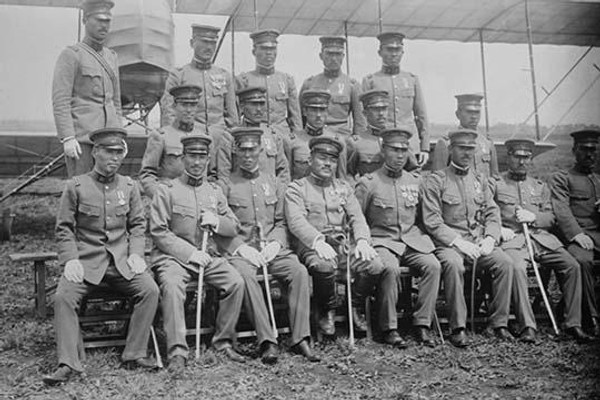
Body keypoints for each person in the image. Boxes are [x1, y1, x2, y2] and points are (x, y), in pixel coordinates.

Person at [44, 127, 159, 385]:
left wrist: (136, 253)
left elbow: (138, 225)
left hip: (120, 265)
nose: (114, 158)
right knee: (63, 297)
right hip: (85, 264)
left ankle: (134, 353)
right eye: (108, 151)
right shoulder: (76, 186)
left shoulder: (130, 187)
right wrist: (70, 259)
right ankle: (67, 363)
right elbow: (64, 228)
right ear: (95, 152)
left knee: (150, 290)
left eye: (119, 152)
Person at [219, 127, 320, 362]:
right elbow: (221, 228)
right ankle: (267, 340)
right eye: (242, 150)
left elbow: (281, 222)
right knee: (246, 277)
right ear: (235, 151)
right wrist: (241, 247)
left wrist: (275, 244)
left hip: (271, 250)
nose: (247, 155)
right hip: (242, 252)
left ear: (260, 150)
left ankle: (300, 337)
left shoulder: (273, 182)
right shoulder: (225, 185)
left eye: (252, 149)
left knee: (299, 271)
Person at [149, 134, 246, 377]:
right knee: (172, 287)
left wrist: (217, 221)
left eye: (202, 157)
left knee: (235, 282)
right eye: (192, 156)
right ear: (182, 158)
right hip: (173, 258)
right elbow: (159, 232)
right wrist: (190, 253)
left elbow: (234, 226)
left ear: (208, 160)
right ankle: (178, 351)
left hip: (208, 256)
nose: (197, 162)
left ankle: (222, 341)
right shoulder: (167, 190)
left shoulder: (213, 191)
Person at [285, 137, 393, 341]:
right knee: (324, 266)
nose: (327, 164)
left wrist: (362, 240)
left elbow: (357, 218)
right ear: (310, 160)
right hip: (313, 247)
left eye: (332, 160)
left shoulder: (344, 188)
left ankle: (355, 304)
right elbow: (296, 221)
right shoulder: (297, 188)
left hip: (343, 246)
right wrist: (317, 240)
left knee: (375, 265)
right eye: (322, 158)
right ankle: (327, 308)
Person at [421, 129, 514, 347]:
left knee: (504, 262)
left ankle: (498, 324)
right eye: (461, 148)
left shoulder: (480, 180)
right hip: (449, 244)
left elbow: (492, 212)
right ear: (451, 149)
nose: (466, 153)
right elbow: (432, 221)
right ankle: (458, 327)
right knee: (454, 265)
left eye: (470, 149)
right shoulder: (436, 181)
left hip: (477, 242)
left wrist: (490, 237)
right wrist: (458, 242)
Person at [493, 139, 591, 343]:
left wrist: (534, 217)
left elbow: (551, 217)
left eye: (526, 157)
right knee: (517, 268)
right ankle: (527, 325)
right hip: (514, 240)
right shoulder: (496, 184)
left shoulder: (540, 186)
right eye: (517, 157)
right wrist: (499, 229)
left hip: (543, 241)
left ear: (531, 159)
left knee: (572, 265)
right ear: (508, 157)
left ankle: (573, 324)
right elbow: (487, 213)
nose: (522, 162)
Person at [355, 128, 441, 347]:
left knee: (433, 265)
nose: (400, 155)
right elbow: (358, 219)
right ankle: (390, 328)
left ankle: (422, 323)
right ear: (383, 150)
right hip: (382, 241)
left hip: (411, 240)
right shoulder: (369, 183)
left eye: (404, 150)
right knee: (390, 269)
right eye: (394, 149)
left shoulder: (415, 181)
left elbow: (423, 217)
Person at [52, 0, 122, 177]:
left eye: (107, 21)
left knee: (107, 195)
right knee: (81, 194)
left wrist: (119, 134)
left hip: (109, 140)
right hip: (83, 140)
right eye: (99, 20)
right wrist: (68, 137)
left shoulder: (112, 57)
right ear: (85, 20)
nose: (104, 25)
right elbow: (61, 101)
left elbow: (116, 102)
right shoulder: (71, 55)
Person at [550, 129, 600, 337]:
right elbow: (561, 210)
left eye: (594, 150)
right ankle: (591, 318)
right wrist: (577, 234)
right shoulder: (563, 178)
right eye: (584, 150)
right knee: (583, 262)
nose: (590, 155)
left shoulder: (598, 179)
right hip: (576, 237)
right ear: (574, 151)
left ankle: (579, 307)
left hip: (597, 234)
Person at [160, 24, 238, 146]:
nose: (209, 47)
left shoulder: (224, 76)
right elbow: (169, 112)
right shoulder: (179, 75)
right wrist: (173, 140)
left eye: (213, 43)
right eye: (204, 42)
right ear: (192, 43)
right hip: (190, 139)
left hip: (220, 140)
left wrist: (229, 136)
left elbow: (232, 116)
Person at [362, 32, 429, 169]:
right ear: (380, 52)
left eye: (397, 50)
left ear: (402, 52)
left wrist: (425, 148)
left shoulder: (411, 79)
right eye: (389, 50)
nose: (394, 54)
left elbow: (421, 115)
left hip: (410, 146)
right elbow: (364, 118)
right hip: (382, 146)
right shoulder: (370, 81)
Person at [236, 29, 302, 150]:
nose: (269, 53)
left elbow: (295, 116)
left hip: (283, 135)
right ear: (254, 51)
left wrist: (297, 139)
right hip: (254, 135)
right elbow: (237, 114)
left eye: (272, 49)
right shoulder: (244, 80)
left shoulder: (286, 80)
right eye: (264, 49)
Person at [139, 84, 207, 198]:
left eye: (193, 105)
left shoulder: (204, 137)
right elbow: (147, 175)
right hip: (170, 197)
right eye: (184, 105)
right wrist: (161, 197)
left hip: (199, 199)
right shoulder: (161, 136)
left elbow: (212, 175)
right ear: (175, 106)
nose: (189, 110)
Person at [215, 86, 290, 185]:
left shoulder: (273, 135)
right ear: (242, 106)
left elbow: (283, 171)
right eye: (254, 104)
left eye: (261, 104)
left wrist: (279, 192)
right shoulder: (230, 137)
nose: (259, 109)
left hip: (269, 195)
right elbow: (224, 175)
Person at [299, 36, 366, 138]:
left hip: (341, 138)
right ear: (321, 56)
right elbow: (300, 116)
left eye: (338, 54)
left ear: (343, 56)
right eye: (329, 54)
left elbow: (360, 121)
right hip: (314, 138)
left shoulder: (352, 85)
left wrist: (357, 141)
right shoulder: (309, 84)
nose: (334, 59)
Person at [430, 93, 498, 178]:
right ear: (458, 114)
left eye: (477, 112)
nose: (474, 117)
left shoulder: (487, 143)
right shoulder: (446, 143)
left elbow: (495, 178)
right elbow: (437, 179)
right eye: (469, 112)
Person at [286, 90, 348, 181]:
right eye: (314, 110)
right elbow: (287, 177)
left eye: (322, 110)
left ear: (327, 112)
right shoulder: (292, 141)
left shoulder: (337, 141)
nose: (318, 115)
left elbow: (342, 178)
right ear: (304, 112)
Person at [346, 90, 387, 178]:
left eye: (384, 108)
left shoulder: (397, 138)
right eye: (376, 109)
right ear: (365, 113)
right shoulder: (356, 143)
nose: (381, 114)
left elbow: (413, 171)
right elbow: (347, 174)